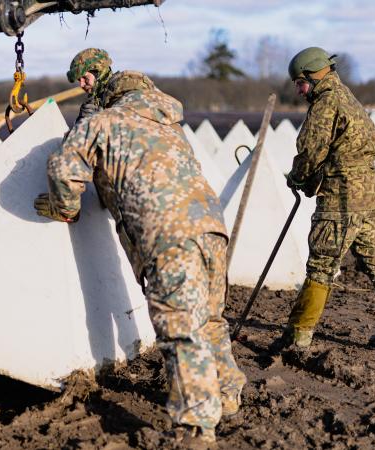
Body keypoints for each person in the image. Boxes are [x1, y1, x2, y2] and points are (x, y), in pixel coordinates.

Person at [34, 71, 245, 444]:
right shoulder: (170, 127)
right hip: (212, 228)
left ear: (113, 96)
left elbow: (64, 168)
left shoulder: (103, 122)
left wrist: (65, 208)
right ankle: (228, 394)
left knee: (180, 327)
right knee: (210, 318)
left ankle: (197, 428)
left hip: (167, 234)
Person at [284, 47, 375, 353]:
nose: (298, 90)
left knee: (321, 267)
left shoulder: (326, 104)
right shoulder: (348, 98)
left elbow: (309, 151)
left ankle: (298, 338)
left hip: (341, 198)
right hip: (371, 194)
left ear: (314, 77)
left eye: (300, 83)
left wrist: (298, 178)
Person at [66, 48, 114, 124]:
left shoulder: (122, 93)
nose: (82, 84)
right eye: (79, 80)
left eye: (85, 78)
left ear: (100, 73)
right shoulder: (96, 100)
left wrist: (101, 119)